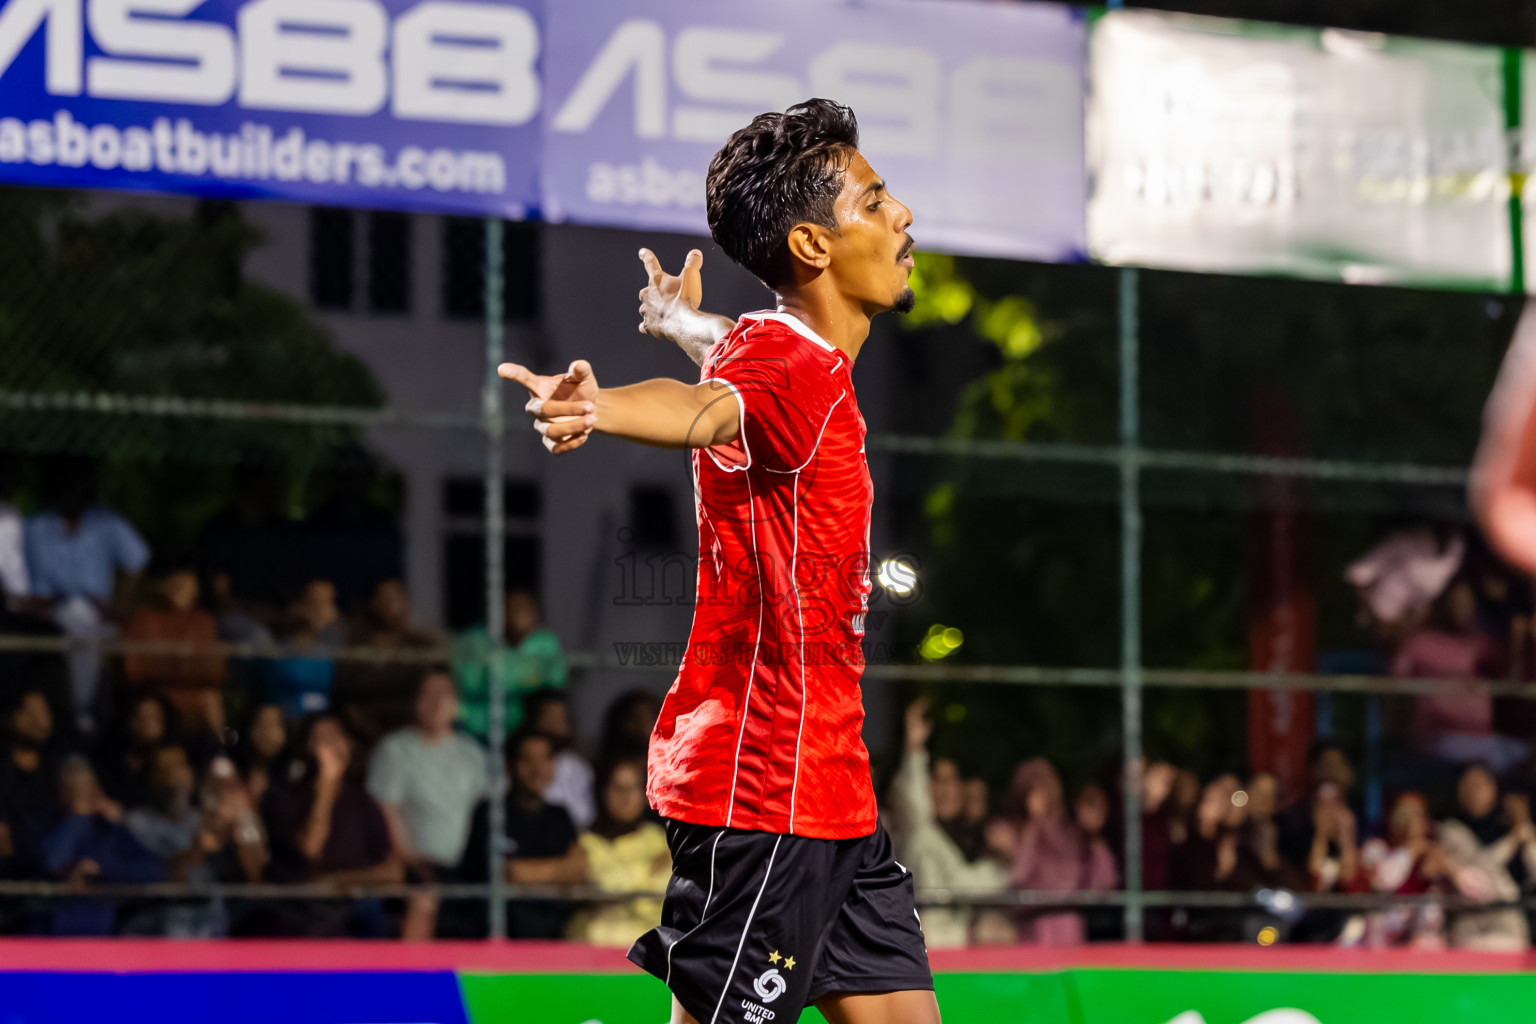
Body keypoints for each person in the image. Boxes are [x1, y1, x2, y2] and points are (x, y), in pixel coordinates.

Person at [503, 98, 934, 1024]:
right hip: (765, 795)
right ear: (815, 247)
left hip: (835, 798)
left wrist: (678, 319)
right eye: (876, 199)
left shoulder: (781, 348)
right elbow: (708, 409)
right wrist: (601, 407)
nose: (902, 216)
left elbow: (732, 357)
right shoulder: (789, 372)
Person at [24, 456, 151, 732]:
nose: (74, 489)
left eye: (79, 481)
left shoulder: (105, 522)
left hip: (97, 618)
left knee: (82, 618)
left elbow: (138, 560)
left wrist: (121, 605)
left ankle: (79, 711)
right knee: (75, 619)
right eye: (67, 481)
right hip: (43, 617)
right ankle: (78, 713)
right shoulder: (35, 526)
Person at [366, 667, 487, 938]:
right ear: (414, 701)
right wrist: (414, 866)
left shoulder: (473, 754)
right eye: (427, 694)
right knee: (421, 906)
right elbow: (385, 812)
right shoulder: (394, 750)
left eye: (443, 694)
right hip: (414, 871)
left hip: (464, 870)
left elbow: (484, 811)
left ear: (456, 703)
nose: (436, 702)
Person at [259, 714, 400, 937]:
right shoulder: (287, 796)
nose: (330, 746)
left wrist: (338, 882)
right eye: (321, 739)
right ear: (307, 748)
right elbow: (310, 849)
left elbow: (393, 872)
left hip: (350, 905)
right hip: (299, 908)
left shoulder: (363, 799)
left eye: (335, 737)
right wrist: (326, 786)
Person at [885, 699, 1008, 948]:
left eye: (952, 781)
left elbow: (966, 881)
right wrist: (915, 749)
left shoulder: (964, 837)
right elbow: (963, 883)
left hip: (956, 955)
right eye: (938, 781)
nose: (946, 791)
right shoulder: (921, 834)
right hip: (926, 953)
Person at [462, 730, 585, 939]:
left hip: (553, 933)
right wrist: (558, 870)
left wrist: (527, 873)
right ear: (508, 765)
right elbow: (505, 874)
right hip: (501, 932)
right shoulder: (490, 812)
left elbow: (577, 871)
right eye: (527, 760)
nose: (536, 770)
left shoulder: (560, 815)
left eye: (543, 759)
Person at [40, 755, 164, 934]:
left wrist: (103, 870)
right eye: (74, 790)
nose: (82, 796)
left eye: (86, 788)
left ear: (97, 789)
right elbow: (51, 862)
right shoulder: (51, 823)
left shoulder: (111, 828)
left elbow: (153, 870)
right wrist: (76, 818)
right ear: (61, 793)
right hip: (54, 926)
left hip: (111, 926)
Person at [1006, 758, 1116, 946]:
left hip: (1067, 927)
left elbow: (1104, 885)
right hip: (1033, 927)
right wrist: (1034, 824)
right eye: (1035, 788)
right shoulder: (1012, 831)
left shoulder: (1072, 836)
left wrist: (1094, 838)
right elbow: (1017, 874)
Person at [568, 757, 672, 947]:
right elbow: (606, 886)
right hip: (600, 946)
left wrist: (625, 884)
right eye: (618, 788)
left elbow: (667, 887)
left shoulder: (656, 836)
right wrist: (650, 869)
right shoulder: (586, 842)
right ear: (601, 792)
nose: (626, 797)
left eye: (633, 788)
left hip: (653, 948)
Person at [120, 561, 226, 733]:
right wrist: (180, 663)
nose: (180, 588)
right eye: (175, 583)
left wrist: (172, 662)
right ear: (163, 585)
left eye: (186, 584)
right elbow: (135, 668)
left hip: (193, 690)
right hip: (155, 691)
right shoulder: (145, 618)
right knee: (150, 706)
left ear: (196, 589)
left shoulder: (204, 622)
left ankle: (219, 751)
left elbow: (213, 670)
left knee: (211, 699)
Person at [1438, 763, 1531, 950]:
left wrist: (1525, 830)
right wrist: (1512, 840)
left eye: (1479, 785)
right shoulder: (1452, 829)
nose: (1472, 792)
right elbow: (1479, 869)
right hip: (1469, 926)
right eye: (1466, 786)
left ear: (1493, 788)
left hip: (1508, 924)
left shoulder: (1510, 827)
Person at [452, 589, 567, 740]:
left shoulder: (545, 641)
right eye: (510, 607)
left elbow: (555, 685)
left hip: (529, 726)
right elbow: (470, 685)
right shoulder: (475, 640)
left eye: (524, 608)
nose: (517, 613)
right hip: (479, 726)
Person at [0, 688, 62, 879]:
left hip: (51, 866)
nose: (36, 721)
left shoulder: (58, 772)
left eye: (42, 712)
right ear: (10, 718)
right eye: (29, 712)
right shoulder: (3, 768)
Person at [525, 688, 595, 829]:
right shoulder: (517, 761)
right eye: (547, 717)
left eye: (559, 719)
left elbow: (584, 815)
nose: (553, 726)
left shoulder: (577, 767)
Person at [95, 693, 174, 808]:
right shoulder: (111, 756)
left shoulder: (169, 760)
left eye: (156, 718)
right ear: (131, 721)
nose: (151, 725)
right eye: (145, 718)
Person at [235, 703, 286, 808]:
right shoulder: (235, 769)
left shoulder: (294, 776)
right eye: (260, 725)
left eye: (272, 725)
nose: (266, 734)